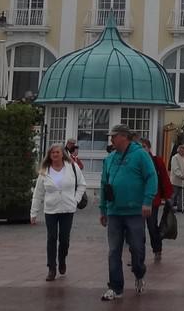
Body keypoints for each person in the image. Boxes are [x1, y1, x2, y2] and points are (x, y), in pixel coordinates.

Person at [98, 124, 157, 300]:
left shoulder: (140, 155)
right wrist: (103, 209)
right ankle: (115, 287)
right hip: (114, 211)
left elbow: (151, 177)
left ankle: (139, 273)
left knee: (137, 248)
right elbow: (103, 184)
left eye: (113, 136)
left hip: (135, 211)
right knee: (114, 250)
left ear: (124, 136)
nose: (111, 140)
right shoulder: (109, 159)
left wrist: (147, 201)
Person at [33, 142, 86, 281]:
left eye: (57, 152)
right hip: (51, 209)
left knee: (64, 239)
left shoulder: (72, 167)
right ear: (49, 155)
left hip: (68, 208)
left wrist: (75, 199)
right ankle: (51, 267)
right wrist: (34, 212)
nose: (55, 154)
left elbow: (82, 184)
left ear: (63, 153)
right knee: (51, 238)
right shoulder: (45, 170)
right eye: (52, 152)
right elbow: (38, 193)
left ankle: (62, 260)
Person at [139, 135, 171, 262]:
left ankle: (157, 249)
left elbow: (164, 178)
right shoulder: (135, 161)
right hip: (138, 201)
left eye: (144, 147)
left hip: (153, 200)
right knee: (137, 229)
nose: (142, 150)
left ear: (149, 148)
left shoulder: (157, 161)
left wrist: (168, 196)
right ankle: (138, 254)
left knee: (152, 227)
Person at [168, 141, 184, 213]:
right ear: (178, 149)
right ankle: (170, 207)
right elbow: (176, 169)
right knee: (173, 195)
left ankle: (180, 207)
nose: (183, 150)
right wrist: (181, 175)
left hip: (182, 180)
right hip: (175, 180)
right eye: (182, 148)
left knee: (181, 195)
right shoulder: (175, 157)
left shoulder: (183, 158)